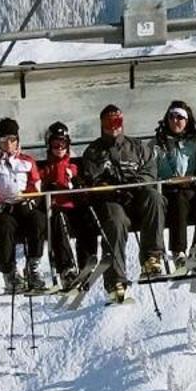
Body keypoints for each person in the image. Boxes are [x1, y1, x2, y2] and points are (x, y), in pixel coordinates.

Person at [79, 104, 168, 300]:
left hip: (136, 196)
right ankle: (116, 280)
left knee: (155, 197)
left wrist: (136, 184)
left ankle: (152, 258)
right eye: (109, 122)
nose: (114, 126)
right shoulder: (94, 151)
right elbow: (91, 179)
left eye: (117, 121)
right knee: (115, 221)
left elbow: (150, 171)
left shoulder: (136, 146)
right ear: (102, 124)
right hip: (112, 200)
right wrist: (110, 187)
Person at [0, 118, 48, 294]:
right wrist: (2, 207)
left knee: (38, 219)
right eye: (4, 140)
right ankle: (9, 273)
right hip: (5, 209)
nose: (9, 144)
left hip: (24, 206)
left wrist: (30, 202)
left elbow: (36, 186)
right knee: (4, 225)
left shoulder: (27, 162)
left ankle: (33, 267)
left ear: (18, 141)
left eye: (12, 140)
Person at [153, 99, 196, 280]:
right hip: (168, 190)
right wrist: (166, 182)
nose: (175, 121)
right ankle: (178, 251)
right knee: (179, 200)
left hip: (189, 187)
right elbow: (152, 170)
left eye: (180, 118)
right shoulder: (157, 144)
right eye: (172, 117)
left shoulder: (193, 144)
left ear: (186, 121)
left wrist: (195, 182)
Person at [36, 121, 99, 290]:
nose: (59, 148)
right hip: (56, 208)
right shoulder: (44, 168)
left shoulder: (74, 166)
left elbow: (86, 183)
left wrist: (80, 185)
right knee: (58, 223)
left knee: (88, 219)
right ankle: (66, 269)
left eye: (63, 144)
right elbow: (36, 184)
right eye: (55, 144)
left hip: (74, 206)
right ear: (49, 146)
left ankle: (87, 260)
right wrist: (45, 188)